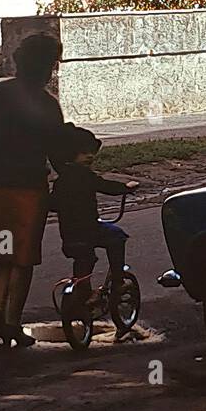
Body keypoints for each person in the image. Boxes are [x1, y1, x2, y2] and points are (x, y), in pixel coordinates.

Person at [0, 33, 63, 347]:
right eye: (52, 64)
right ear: (45, 66)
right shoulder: (47, 105)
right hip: (27, 189)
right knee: (24, 259)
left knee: (5, 254)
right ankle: (12, 321)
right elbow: (58, 151)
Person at [50, 124, 138, 340]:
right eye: (83, 151)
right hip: (91, 229)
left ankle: (84, 290)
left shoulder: (61, 182)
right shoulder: (85, 176)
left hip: (70, 235)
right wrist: (125, 187)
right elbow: (106, 185)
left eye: (91, 151)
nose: (89, 155)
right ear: (71, 154)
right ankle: (117, 279)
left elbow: (52, 205)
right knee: (117, 236)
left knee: (83, 258)